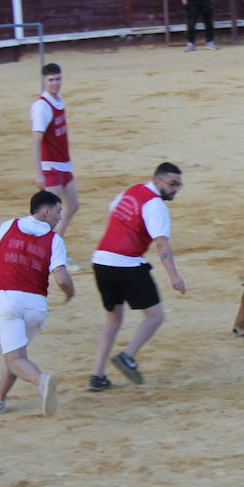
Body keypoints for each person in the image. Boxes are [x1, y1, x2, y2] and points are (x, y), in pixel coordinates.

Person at [89, 163, 187, 390]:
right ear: (158, 181)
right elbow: (161, 244)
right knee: (155, 316)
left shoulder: (132, 191)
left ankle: (97, 375)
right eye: (172, 184)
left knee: (113, 319)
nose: (175, 189)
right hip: (127, 264)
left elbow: (113, 208)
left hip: (101, 261)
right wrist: (174, 276)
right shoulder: (156, 205)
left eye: (178, 186)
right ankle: (128, 355)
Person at [0, 190, 74, 417]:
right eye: (58, 211)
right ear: (45, 212)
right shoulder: (55, 240)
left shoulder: (8, 226)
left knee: (15, 358)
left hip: (6, 301)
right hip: (36, 307)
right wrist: (69, 293)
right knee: (16, 354)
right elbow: (62, 279)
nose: (60, 217)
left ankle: (41, 381)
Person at [29, 63, 80, 249]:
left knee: (72, 206)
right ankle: (42, 250)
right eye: (51, 80)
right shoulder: (42, 107)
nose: (55, 83)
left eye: (58, 79)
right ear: (44, 80)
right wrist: (39, 172)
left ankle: (54, 245)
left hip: (63, 164)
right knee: (48, 215)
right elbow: (36, 140)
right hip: (51, 166)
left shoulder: (58, 100)